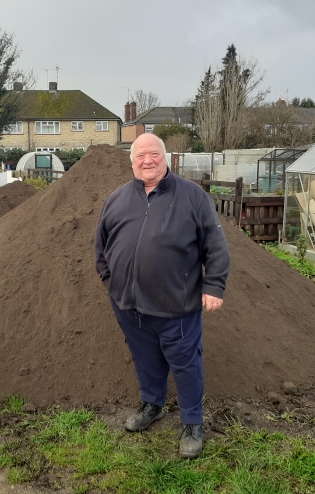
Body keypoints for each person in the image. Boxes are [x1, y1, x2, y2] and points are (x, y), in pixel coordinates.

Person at [94, 133, 230, 459]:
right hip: (129, 305)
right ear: (131, 161)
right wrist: (112, 282)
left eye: (153, 154)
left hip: (176, 305)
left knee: (185, 364)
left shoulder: (192, 197)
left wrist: (214, 286)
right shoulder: (116, 199)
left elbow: (215, 245)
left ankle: (192, 423)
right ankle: (151, 404)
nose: (147, 160)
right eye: (140, 155)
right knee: (145, 359)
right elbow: (101, 247)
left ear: (165, 157)